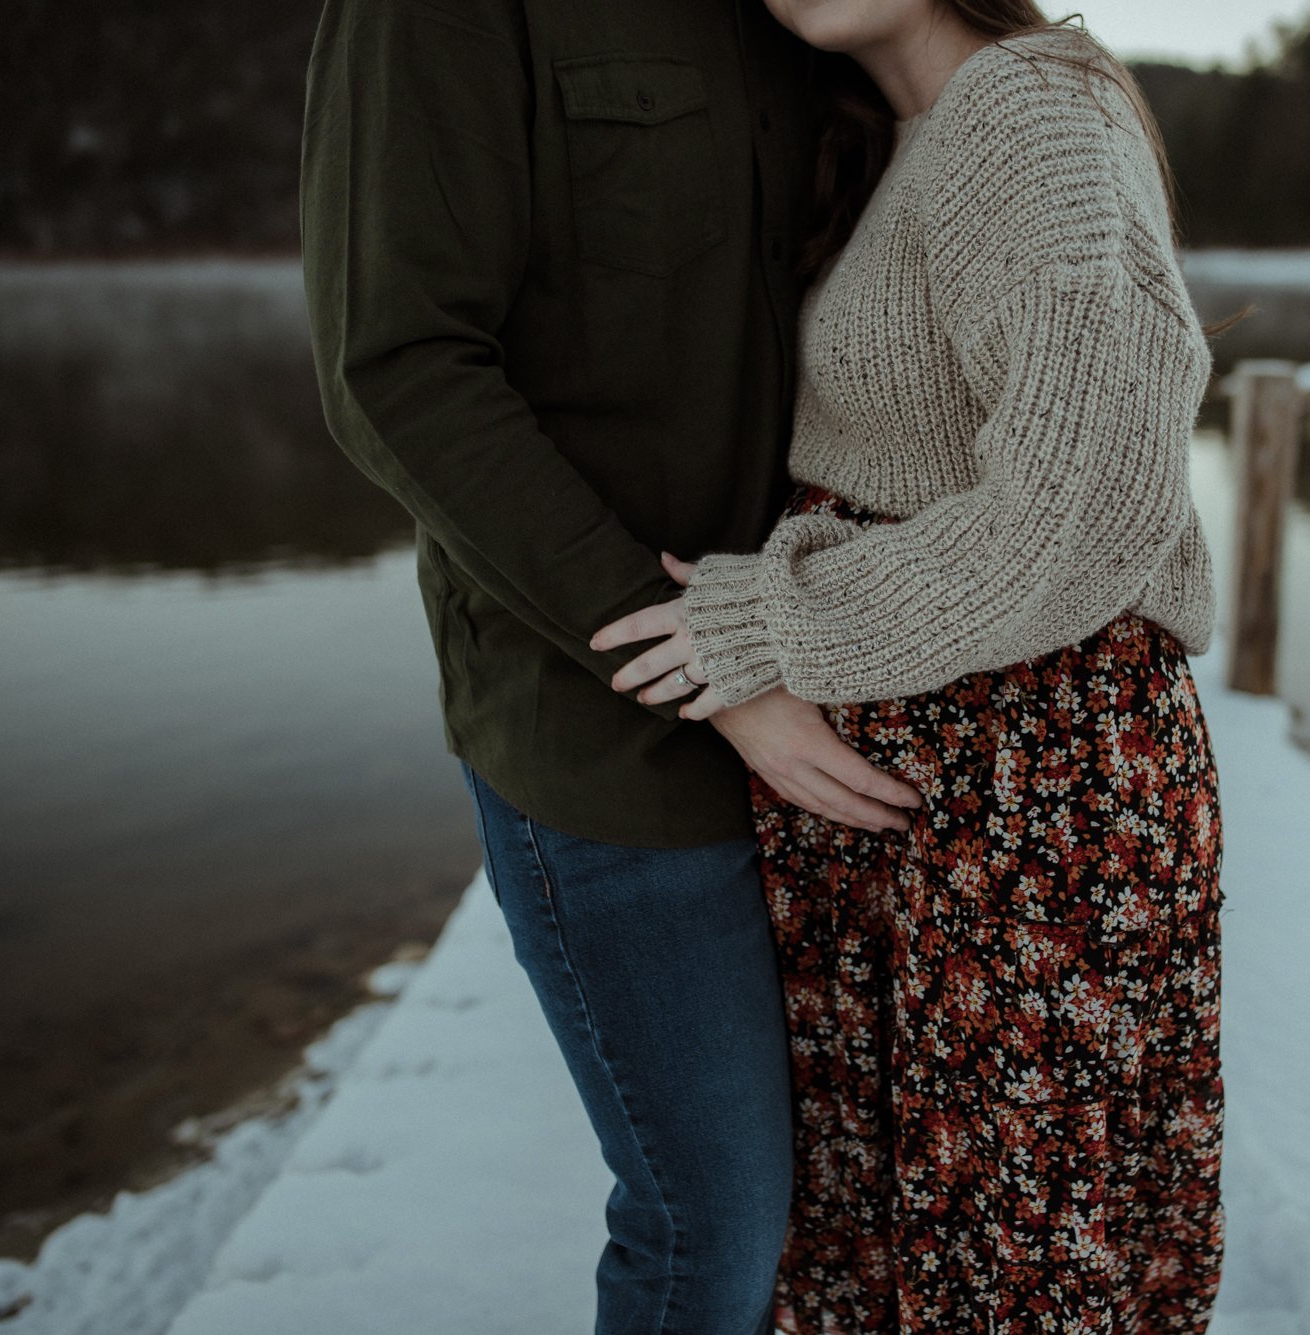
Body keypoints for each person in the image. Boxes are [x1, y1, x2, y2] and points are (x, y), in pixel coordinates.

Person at [593, 2, 1230, 1331]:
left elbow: (1085, 507)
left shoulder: (1032, 108)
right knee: (906, 1254)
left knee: (1018, 1263)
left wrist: (767, 628)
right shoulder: (904, 129)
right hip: (936, 786)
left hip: (1032, 790)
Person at [297, 2, 927, 1331]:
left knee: (845, 1212)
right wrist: (721, 671)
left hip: (849, 700)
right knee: (713, 1223)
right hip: (613, 729)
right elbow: (397, 366)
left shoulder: (804, 6)